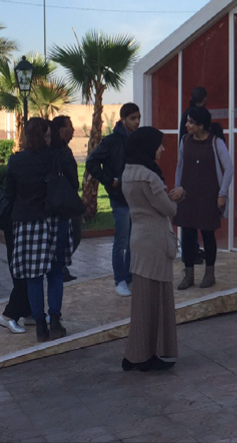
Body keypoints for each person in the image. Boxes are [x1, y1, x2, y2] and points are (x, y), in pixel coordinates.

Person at [7, 118, 76, 343]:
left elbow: (9, 193)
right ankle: (55, 320)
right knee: (55, 272)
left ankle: (39, 325)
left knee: (33, 276)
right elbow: (71, 185)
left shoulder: (16, 161)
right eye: (47, 135)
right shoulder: (56, 157)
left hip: (27, 222)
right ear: (45, 135)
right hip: (54, 219)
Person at [121, 127, 185, 372]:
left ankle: (137, 352)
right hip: (155, 241)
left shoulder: (128, 173)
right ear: (147, 147)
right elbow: (169, 209)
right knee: (156, 300)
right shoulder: (149, 177)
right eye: (159, 145)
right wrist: (178, 195)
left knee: (142, 301)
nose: (162, 149)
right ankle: (147, 354)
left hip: (138, 238)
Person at [86, 102, 141, 297]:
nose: (136, 122)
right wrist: (110, 181)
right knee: (122, 240)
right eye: (133, 118)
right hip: (120, 198)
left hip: (135, 197)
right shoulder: (112, 141)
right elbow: (92, 162)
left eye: (138, 118)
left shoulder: (138, 139)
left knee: (134, 240)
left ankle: (130, 276)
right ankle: (120, 279)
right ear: (123, 119)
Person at [175, 106, 233, 290]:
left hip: (208, 195)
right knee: (187, 234)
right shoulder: (185, 140)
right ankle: (188, 274)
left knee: (208, 234)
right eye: (187, 121)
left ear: (201, 126)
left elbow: (229, 168)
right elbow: (179, 165)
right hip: (187, 195)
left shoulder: (216, 142)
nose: (187, 125)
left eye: (191, 122)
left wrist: (222, 194)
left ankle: (209, 274)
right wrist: (177, 189)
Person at [178, 87, 208, 265]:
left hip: (191, 172)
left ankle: (192, 249)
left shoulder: (187, 113)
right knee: (190, 217)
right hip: (192, 173)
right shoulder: (194, 116)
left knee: (192, 216)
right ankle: (189, 252)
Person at [51, 116, 83, 283]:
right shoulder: (58, 151)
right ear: (61, 130)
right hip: (63, 201)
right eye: (70, 126)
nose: (73, 130)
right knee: (72, 234)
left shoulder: (65, 149)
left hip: (68, 198)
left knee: (74, 234)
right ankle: (59, 266)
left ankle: (60, 265)